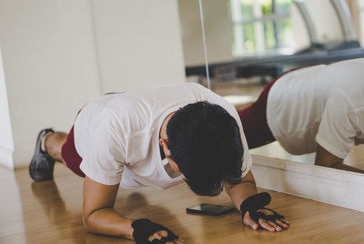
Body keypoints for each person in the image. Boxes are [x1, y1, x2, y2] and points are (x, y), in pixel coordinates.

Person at [29, 83, 289, 244]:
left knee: (128, 186)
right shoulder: (113, 130)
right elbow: (94, 214)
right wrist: (136, 228)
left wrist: (248, 206)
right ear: (165, 147)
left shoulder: (221, 119)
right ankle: (47, 140)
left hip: (132, 110)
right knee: (68, 158)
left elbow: (239, 180)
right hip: (94, 121)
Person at [239, 55, 364, 179]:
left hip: (319, 78)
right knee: (225, 133)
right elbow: (327, 167)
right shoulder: (355, 99)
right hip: (284, 99)